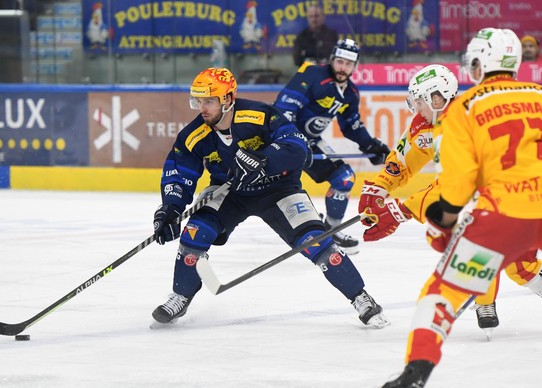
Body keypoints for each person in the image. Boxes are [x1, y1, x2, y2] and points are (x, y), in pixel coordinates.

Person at [150, 67, 390, 329]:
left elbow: (296, 143)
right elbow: (179, 172)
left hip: (278, 188)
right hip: (230, 192)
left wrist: (265, 160)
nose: (202, 108)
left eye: (209, 100)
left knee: (316, 241)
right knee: (194, 232)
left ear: (228, 99)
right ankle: (181, 295)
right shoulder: (193, 135)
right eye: (198, 101)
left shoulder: (259, 114)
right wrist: (170, 209)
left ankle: (361, 297)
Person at [382, 28, 542, 387]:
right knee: (523, 268)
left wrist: (443, 225)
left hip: (505, 216)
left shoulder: (466, 107)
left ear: (477, 63)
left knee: (442, 291)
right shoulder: (540, 94)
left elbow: (456, 188)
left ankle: (417, 369)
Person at [358, 63, 542, 340]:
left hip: (525, 188)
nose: (416, 108)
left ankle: (484, 297)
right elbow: (404, 161)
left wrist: (403, 209)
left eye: (420, 100)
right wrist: (379, 187)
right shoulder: (426, 125)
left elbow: (455, 185)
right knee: (519, 262)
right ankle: (486, 297)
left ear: (438, 97)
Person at [274, 39, 391, 253]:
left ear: (355, 66)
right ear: (332, 60)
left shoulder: (350, 93)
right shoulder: (312, 74)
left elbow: (351, 126)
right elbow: (283, 110)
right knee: (276, 189)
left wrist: (371, 146)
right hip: (283, 140)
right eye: (339, 61)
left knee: (344, 178)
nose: (343, 67)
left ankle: (330, 230)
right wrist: (295, 142)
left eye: (348, 64)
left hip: (310, 142)